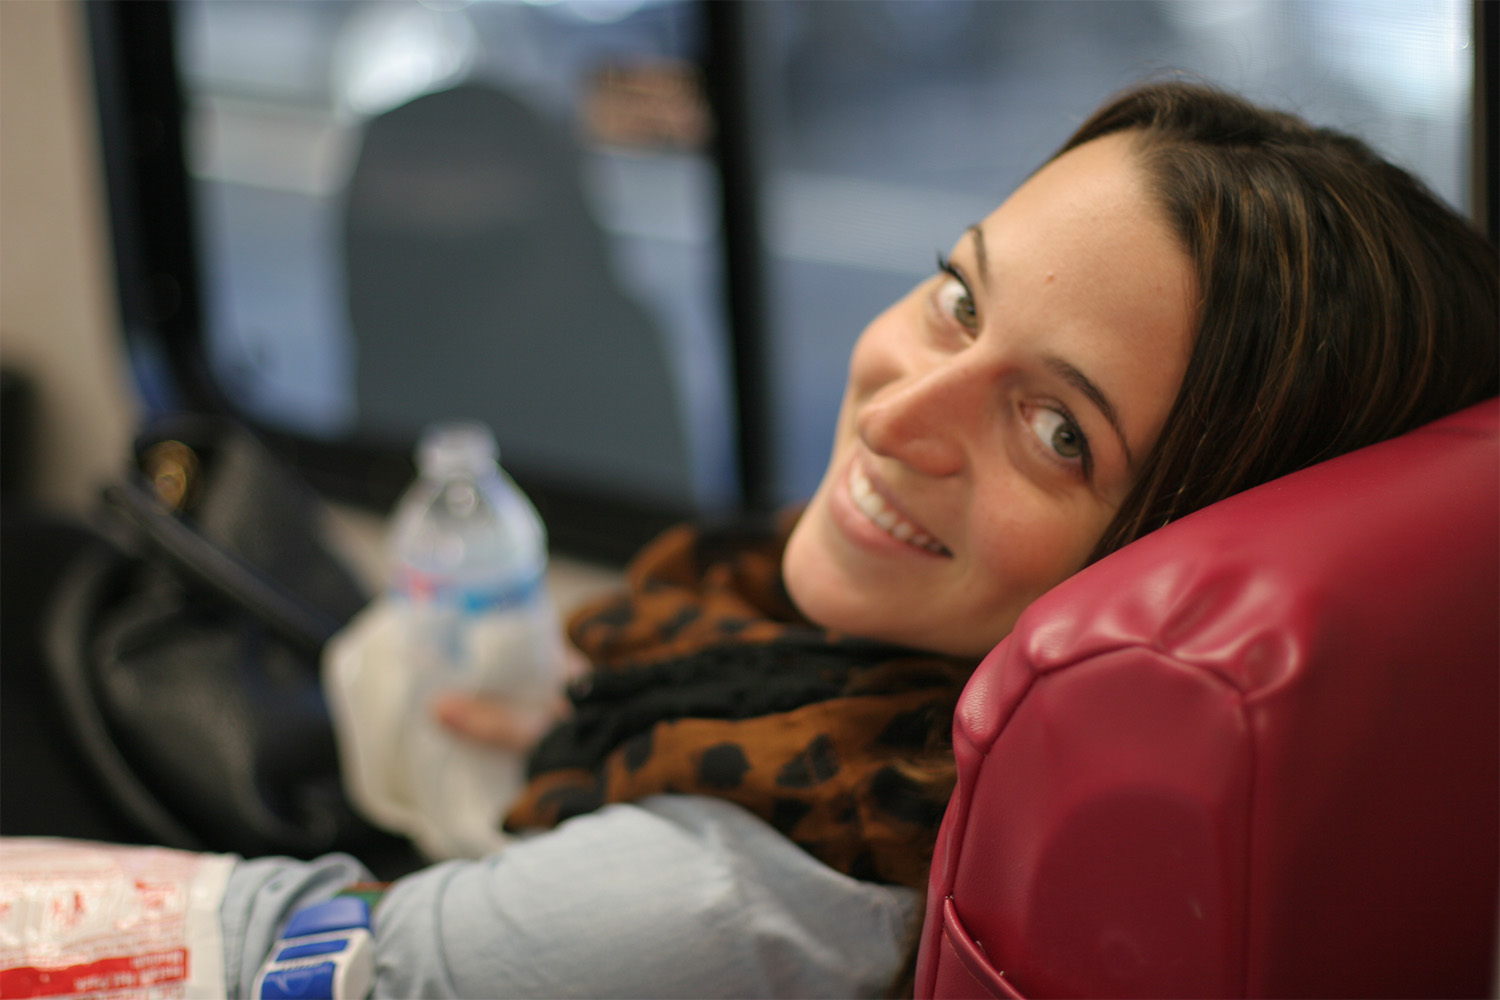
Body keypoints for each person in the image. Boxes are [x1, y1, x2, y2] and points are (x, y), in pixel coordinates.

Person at [8, 81, 1499, 999]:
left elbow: (277, 961)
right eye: (960, 301)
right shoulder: (832, 707)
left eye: (1059, 432)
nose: (907, 407)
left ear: (1174, 559)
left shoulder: (727, 907)